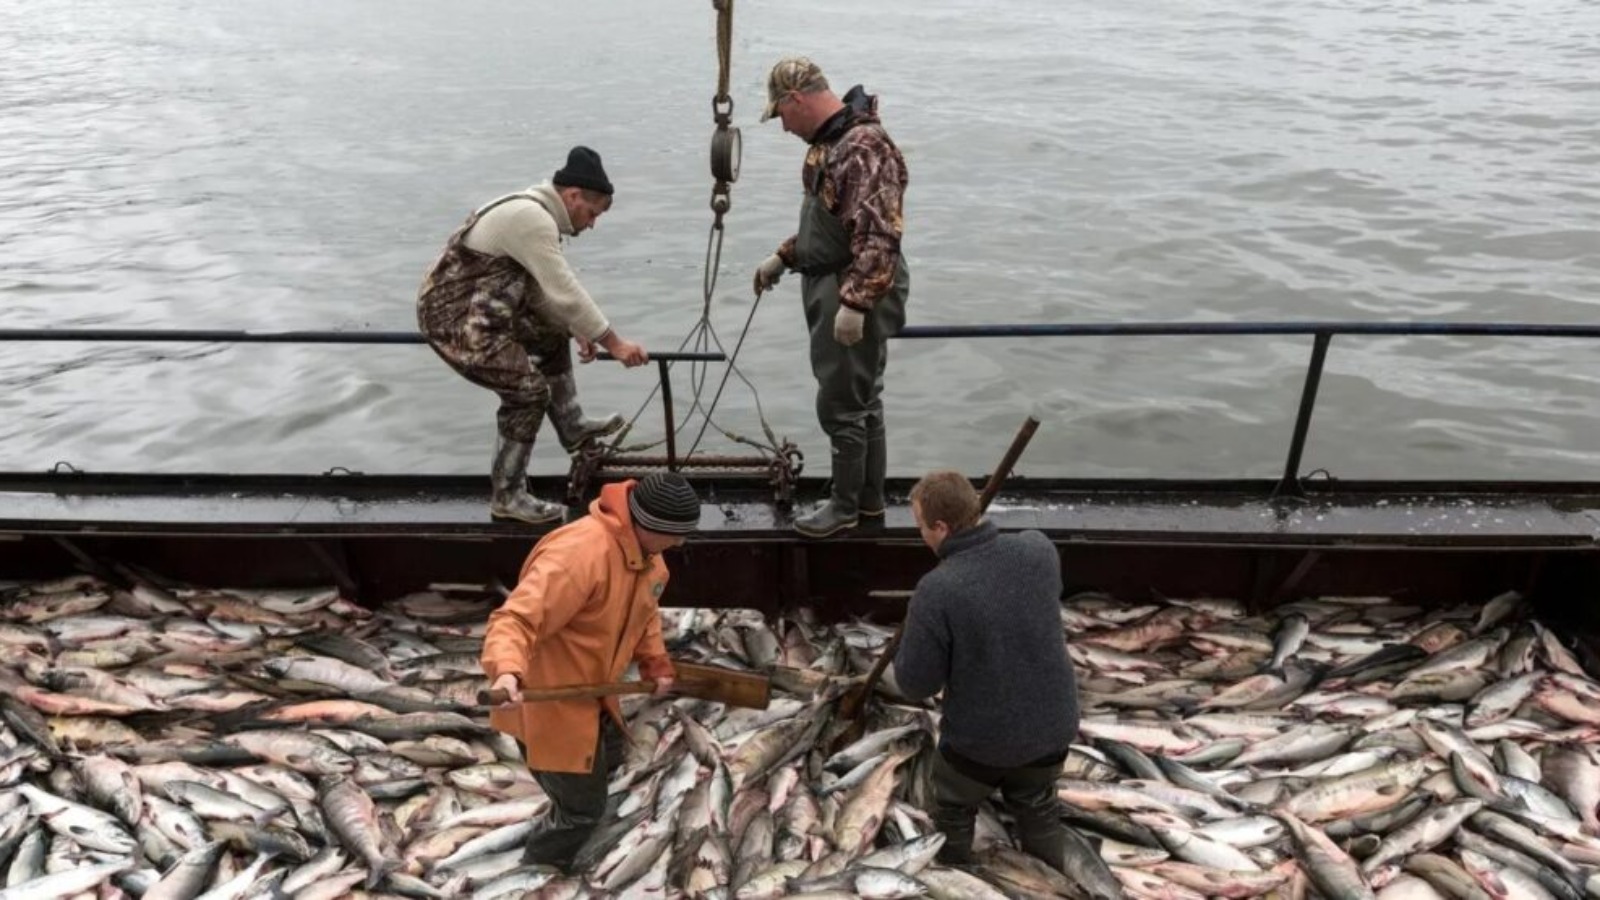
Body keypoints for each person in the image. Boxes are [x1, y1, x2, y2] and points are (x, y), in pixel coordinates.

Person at [479, 471, 702, 872]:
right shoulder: (577, 557)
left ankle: (579, 807)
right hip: (553, 706)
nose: (681, 544)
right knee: (582, 811)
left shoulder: (650, 558)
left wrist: (655, 660)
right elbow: (514, 621)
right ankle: (537, 871)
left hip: (601, 693)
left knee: (612, 758)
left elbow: (645, 613)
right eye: (675, 535)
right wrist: (507, 672)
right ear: (647, 525)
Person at [417, 146, 650, 524]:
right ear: (573, 196)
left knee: (551, 334)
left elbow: (540, 292)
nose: (592, 224)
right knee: (527, 392)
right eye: (592, 213)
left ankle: (572, 426)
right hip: (455, 321)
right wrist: (615, 343)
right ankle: (508, 496)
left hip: (487, 310)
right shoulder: (532, 219)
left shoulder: (534, 214)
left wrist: (574, 327)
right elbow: (564, 287)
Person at [752, 57, 910, 538]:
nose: (781, 127)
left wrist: (856, 303)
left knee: (842, 404)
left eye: (780, 115)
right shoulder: (832, 144)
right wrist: (784, 256)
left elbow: (880, 234)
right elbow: (830, 223)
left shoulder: (863, 146)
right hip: (833, 281)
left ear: (795, 99)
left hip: (853, 287)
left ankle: (844, 507)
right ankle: (867, 502)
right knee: (862, 400)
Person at [891, 470, 1080, 871]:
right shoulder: (1038, 549)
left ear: (940, 528)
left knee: (953, 807)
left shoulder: (937, 589)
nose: (920, 534)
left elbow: (915, 684)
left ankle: (957, 876)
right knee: (1037, 801)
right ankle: (1055, 881)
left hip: (981, 746)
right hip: (1054, 728)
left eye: (921, 526)